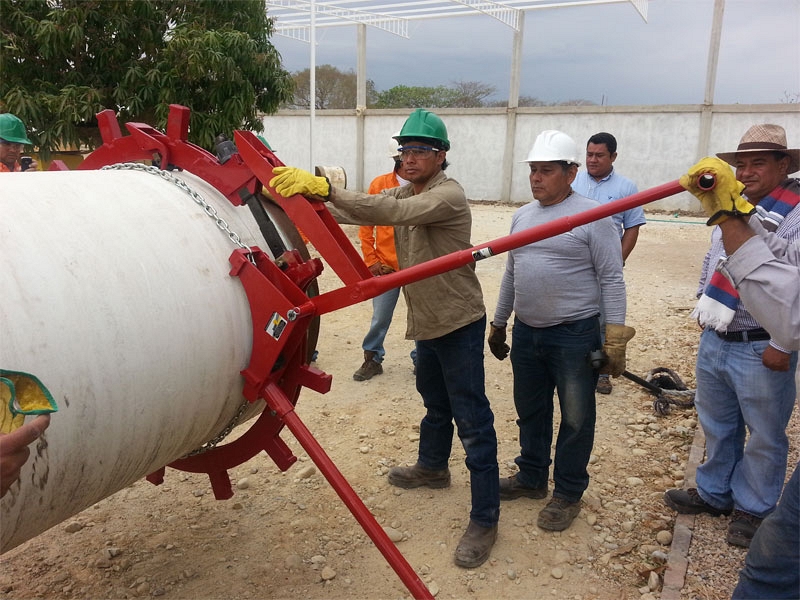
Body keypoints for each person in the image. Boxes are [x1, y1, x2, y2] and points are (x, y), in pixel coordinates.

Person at [269, 108, 500, 568]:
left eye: (420, 151)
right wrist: (292, 197)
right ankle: (432, 468)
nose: (409, 158)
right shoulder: (407, 189)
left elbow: (390, 212)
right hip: (427, 323)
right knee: (435, 405)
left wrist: (325, 188)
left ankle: (485, 518)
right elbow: (358, 208)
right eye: (404, 150)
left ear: (441, 156)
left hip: (457, 322)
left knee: (472, 420)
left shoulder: (447, 196)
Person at [488, 130, 633, 532]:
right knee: (531, 410)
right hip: (527, 333)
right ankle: (532, 477)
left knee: (576, 417)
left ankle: (568, 492)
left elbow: (612, 278)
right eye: (533, 170)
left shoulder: (593, 217)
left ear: (570, 174)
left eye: (546, 171)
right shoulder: (523, 216)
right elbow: (512, 271)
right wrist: (499, 322)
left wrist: (615, 336)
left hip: (573, 335)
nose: (536, 178)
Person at [664, 124, 800, 549]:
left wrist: (782, 344)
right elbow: (715, 259)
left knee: (764, 432)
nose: (746, 171)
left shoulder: (795, 214)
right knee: (716, 422)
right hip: (720, 335)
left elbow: (794, 280)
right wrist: (702, 307)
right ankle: (714, 492)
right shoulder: (732, 205)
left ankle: (752, 508)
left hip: (763, 341)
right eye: (741, 164)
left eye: (758, 162)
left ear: (784, 164)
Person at [572, 132, 645, 395]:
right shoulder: (573, 181)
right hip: (574, 266)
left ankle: (602, 373)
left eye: (599, 155)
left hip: (605, 267)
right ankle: (572, 369)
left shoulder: (626, 188)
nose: (592, 160)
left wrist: (618, 260)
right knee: (574, 318)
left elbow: (632, 227)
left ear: (613, 156)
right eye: (589, 154)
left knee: (605, 321)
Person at [352, 135, 411, 381]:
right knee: (380, 317)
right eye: (406, 155)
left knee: (422, 316)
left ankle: (423, 359)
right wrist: (372, 261)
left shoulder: (426, 188)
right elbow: (366, 227)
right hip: (386, 266)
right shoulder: (380, 185)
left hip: (418, 265)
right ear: (398, 158)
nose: (410, 161)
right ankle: (372, 358)